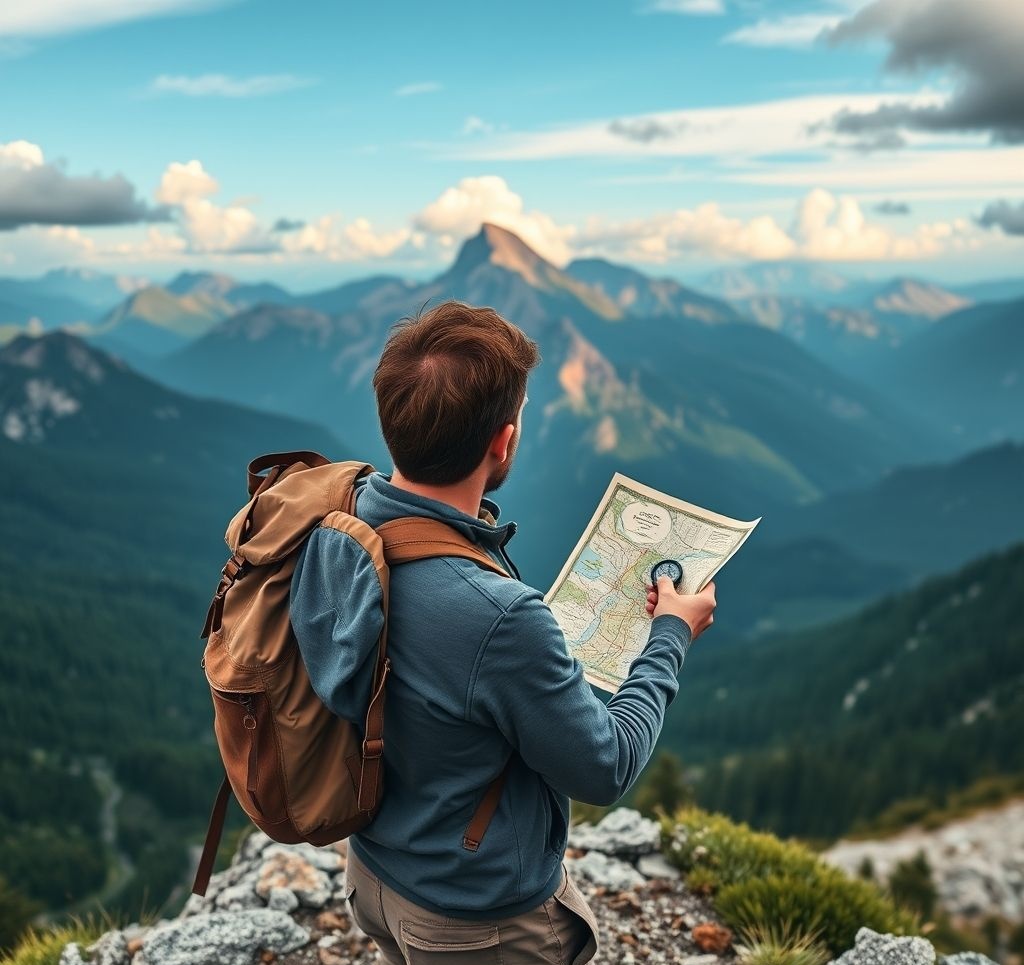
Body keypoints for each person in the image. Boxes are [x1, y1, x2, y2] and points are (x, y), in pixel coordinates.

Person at [288, 300, 717, 965]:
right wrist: (669, 635)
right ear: (504, 441)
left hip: (374, 873)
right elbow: (605, 767)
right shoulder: (499, 616)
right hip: (471, 919)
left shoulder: (337, 520)